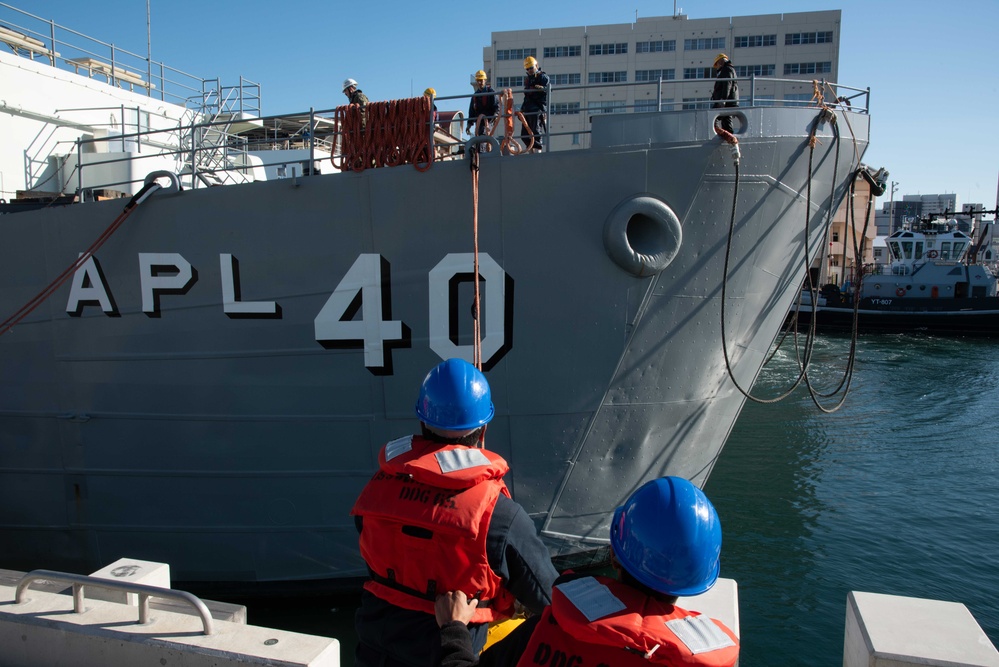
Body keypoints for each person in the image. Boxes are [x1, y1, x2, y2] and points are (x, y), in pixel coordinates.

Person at [351, 358, 559, 667]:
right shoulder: (499, 516)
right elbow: (551, 602)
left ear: (422, 420)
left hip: (374, 649)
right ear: (482, 427)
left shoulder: (379, 491)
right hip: (451, 653)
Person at [434, 476, 740, 667]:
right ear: (700, 579)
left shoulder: (551, 626)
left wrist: (454, 629)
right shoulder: (697, 658)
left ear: (613, 554)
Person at [520, 56, 549, 153]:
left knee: (536, 130)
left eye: (531, 68)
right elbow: (527, 97)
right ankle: (530, 150)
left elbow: (548, 88)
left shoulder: (542, 77)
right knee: (524, 134)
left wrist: (542, 88)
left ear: (536, 65)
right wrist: (522, 109)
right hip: (528, 108)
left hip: (538, 108)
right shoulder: (528, 80)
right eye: (527, 69)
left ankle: (537, 150)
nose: (529, 70)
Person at [467, 70, 498, 149]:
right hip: (479, 121)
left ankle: (482, 153)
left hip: (488, 120)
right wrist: (469, 124)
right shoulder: (475, 96)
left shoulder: (491, 92)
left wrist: (495, 115)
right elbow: (471, 111)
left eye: (481, 80)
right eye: (478, 81)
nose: (480, 83)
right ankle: (479, 152)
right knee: (479, 137)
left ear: (485, 80)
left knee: (484, 136)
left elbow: (496, 105)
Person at [710, 53, 738, 133]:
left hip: (727, 101)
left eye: (717, 64)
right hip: (728, 100)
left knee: (714, 117)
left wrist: (723, 99)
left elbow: (727, 84)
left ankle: (727, 136)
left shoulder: (727, 69)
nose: (717, 67)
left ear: (720, 62)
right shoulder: (728, 69)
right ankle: (727, 136)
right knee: (725, 119)